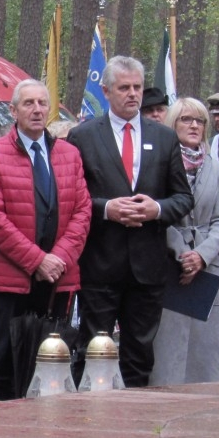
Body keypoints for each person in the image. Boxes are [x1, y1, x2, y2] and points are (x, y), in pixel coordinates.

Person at [66, 56, 193, 387]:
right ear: (106, 91)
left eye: (137, 87)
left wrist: (157, 209)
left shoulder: (164, 138)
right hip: (100, 264)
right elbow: (72, 197)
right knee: (96, 348)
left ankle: (135, 420)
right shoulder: (82, 136)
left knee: (139, 353)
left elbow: (183, 198)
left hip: (147, 266)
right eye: (124, 88)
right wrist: (107, 208)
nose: (133, 94)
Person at [0, 80, 90, 401]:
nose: (37, 110)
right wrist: (37, 260)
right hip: (11, 279)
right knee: (1, 360)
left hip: (58, 279)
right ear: (13, 111)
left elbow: (82, 212)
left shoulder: (70, 155)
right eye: (28, 103)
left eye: (42, 103)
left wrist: (58, 259)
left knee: (51, 360)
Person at [150, 99, 219, 386]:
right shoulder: (160, 161)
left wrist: (202, 255)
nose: (194, 125)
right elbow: (159, 211)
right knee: (169, 344)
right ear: (173, 122)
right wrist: (183, 253)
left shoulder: (214, 166)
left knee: (204, 347)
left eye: (200, 120)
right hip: (170, 262)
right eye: (186, 119)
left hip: (206, 266)